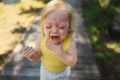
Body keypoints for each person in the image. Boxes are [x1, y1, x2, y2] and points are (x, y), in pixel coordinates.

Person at [22, 0, 79, 80]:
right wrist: (31, 56)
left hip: (61, 74)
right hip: (45, 71)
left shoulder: (69, 41)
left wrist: (59, 51)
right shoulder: (42, 38)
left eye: (61, 27)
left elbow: (72, 62)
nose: (54, 30)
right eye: (48, 27)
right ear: (43, 27)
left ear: (69, 27)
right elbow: (37, 56)